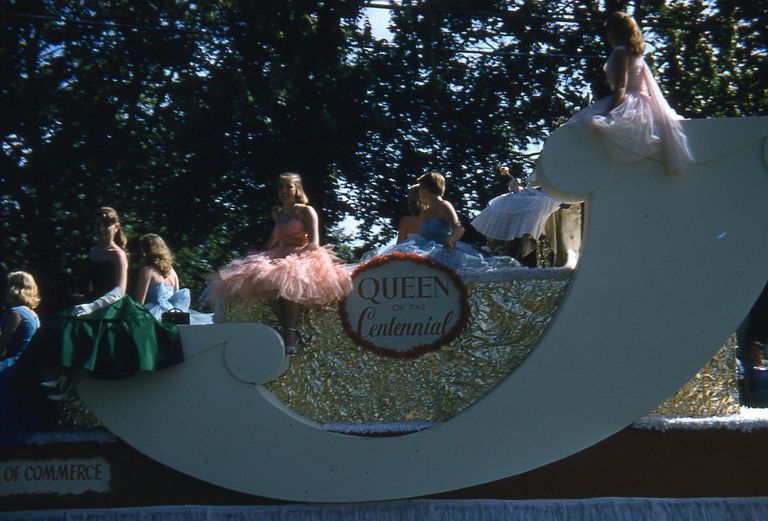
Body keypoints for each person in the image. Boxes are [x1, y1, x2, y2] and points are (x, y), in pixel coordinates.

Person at [15, 208, 183, 391]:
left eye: (107, 224)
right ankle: (57, 378)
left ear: (116, 227)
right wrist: (83, 297)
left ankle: (68, 382)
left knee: (96, 337)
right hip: (91, 302)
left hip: (112, 305)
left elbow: (119, 290)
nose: (101, 228)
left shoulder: (118, 254)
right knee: (56, 326)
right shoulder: (93, 251)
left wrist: (92, 306)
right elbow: (91, 284)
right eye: (97, 224)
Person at [207, 173, 353, 354]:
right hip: (281, 253)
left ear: (297, 189)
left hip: (303, 255)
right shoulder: (279, 214)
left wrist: (290, 256)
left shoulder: (306, 211)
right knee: (266, 281)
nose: (284, 191)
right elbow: (271, 243)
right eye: (281, 187)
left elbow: (314, 243)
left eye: (288, 186)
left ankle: (290, 334)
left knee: (289, 280)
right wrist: (253, 258)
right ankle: (287, 330)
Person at [565, 11, 693, 174]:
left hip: (628, 102)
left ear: (614, 31)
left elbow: (620, 86)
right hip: (643, 102)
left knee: (586, 126)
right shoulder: (635, 53)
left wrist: (610, 111)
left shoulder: (620, 52)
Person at [363, 172, 519, 273]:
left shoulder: (444, 205)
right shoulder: (424, 212)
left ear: (427, 189)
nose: (419, 193)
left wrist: (450, 241)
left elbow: (459, 229)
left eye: (421, 189)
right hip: (425, 250)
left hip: (444, 251)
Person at [471, 166, 561, 267]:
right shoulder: (541, 168)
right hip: (534, 194)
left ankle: (523, 240)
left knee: (537, 204)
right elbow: (533, 187)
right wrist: (519, 188)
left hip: (552, 197)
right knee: (509, 200)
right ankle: (496, 242)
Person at [134, 234, 213, 325]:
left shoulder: (147, 271)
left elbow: (139, 302)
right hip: (173, 315)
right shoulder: (172, 272)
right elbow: (177, 299)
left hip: (153, 316)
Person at [0, 272, 41, 365]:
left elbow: (2, 346)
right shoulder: (33, 314)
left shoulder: (16, 313)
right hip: (24, 364)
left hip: (9, 365)